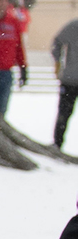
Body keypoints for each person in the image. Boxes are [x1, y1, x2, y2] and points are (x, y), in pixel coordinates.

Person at [49, 16, 78, 149]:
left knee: (64, 113)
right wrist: (58, 62)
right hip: (70, 79)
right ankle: (57, 143)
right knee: (64, 113)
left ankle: (57, 143)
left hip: (70, 77)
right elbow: (57, 42)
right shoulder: (74, 26)